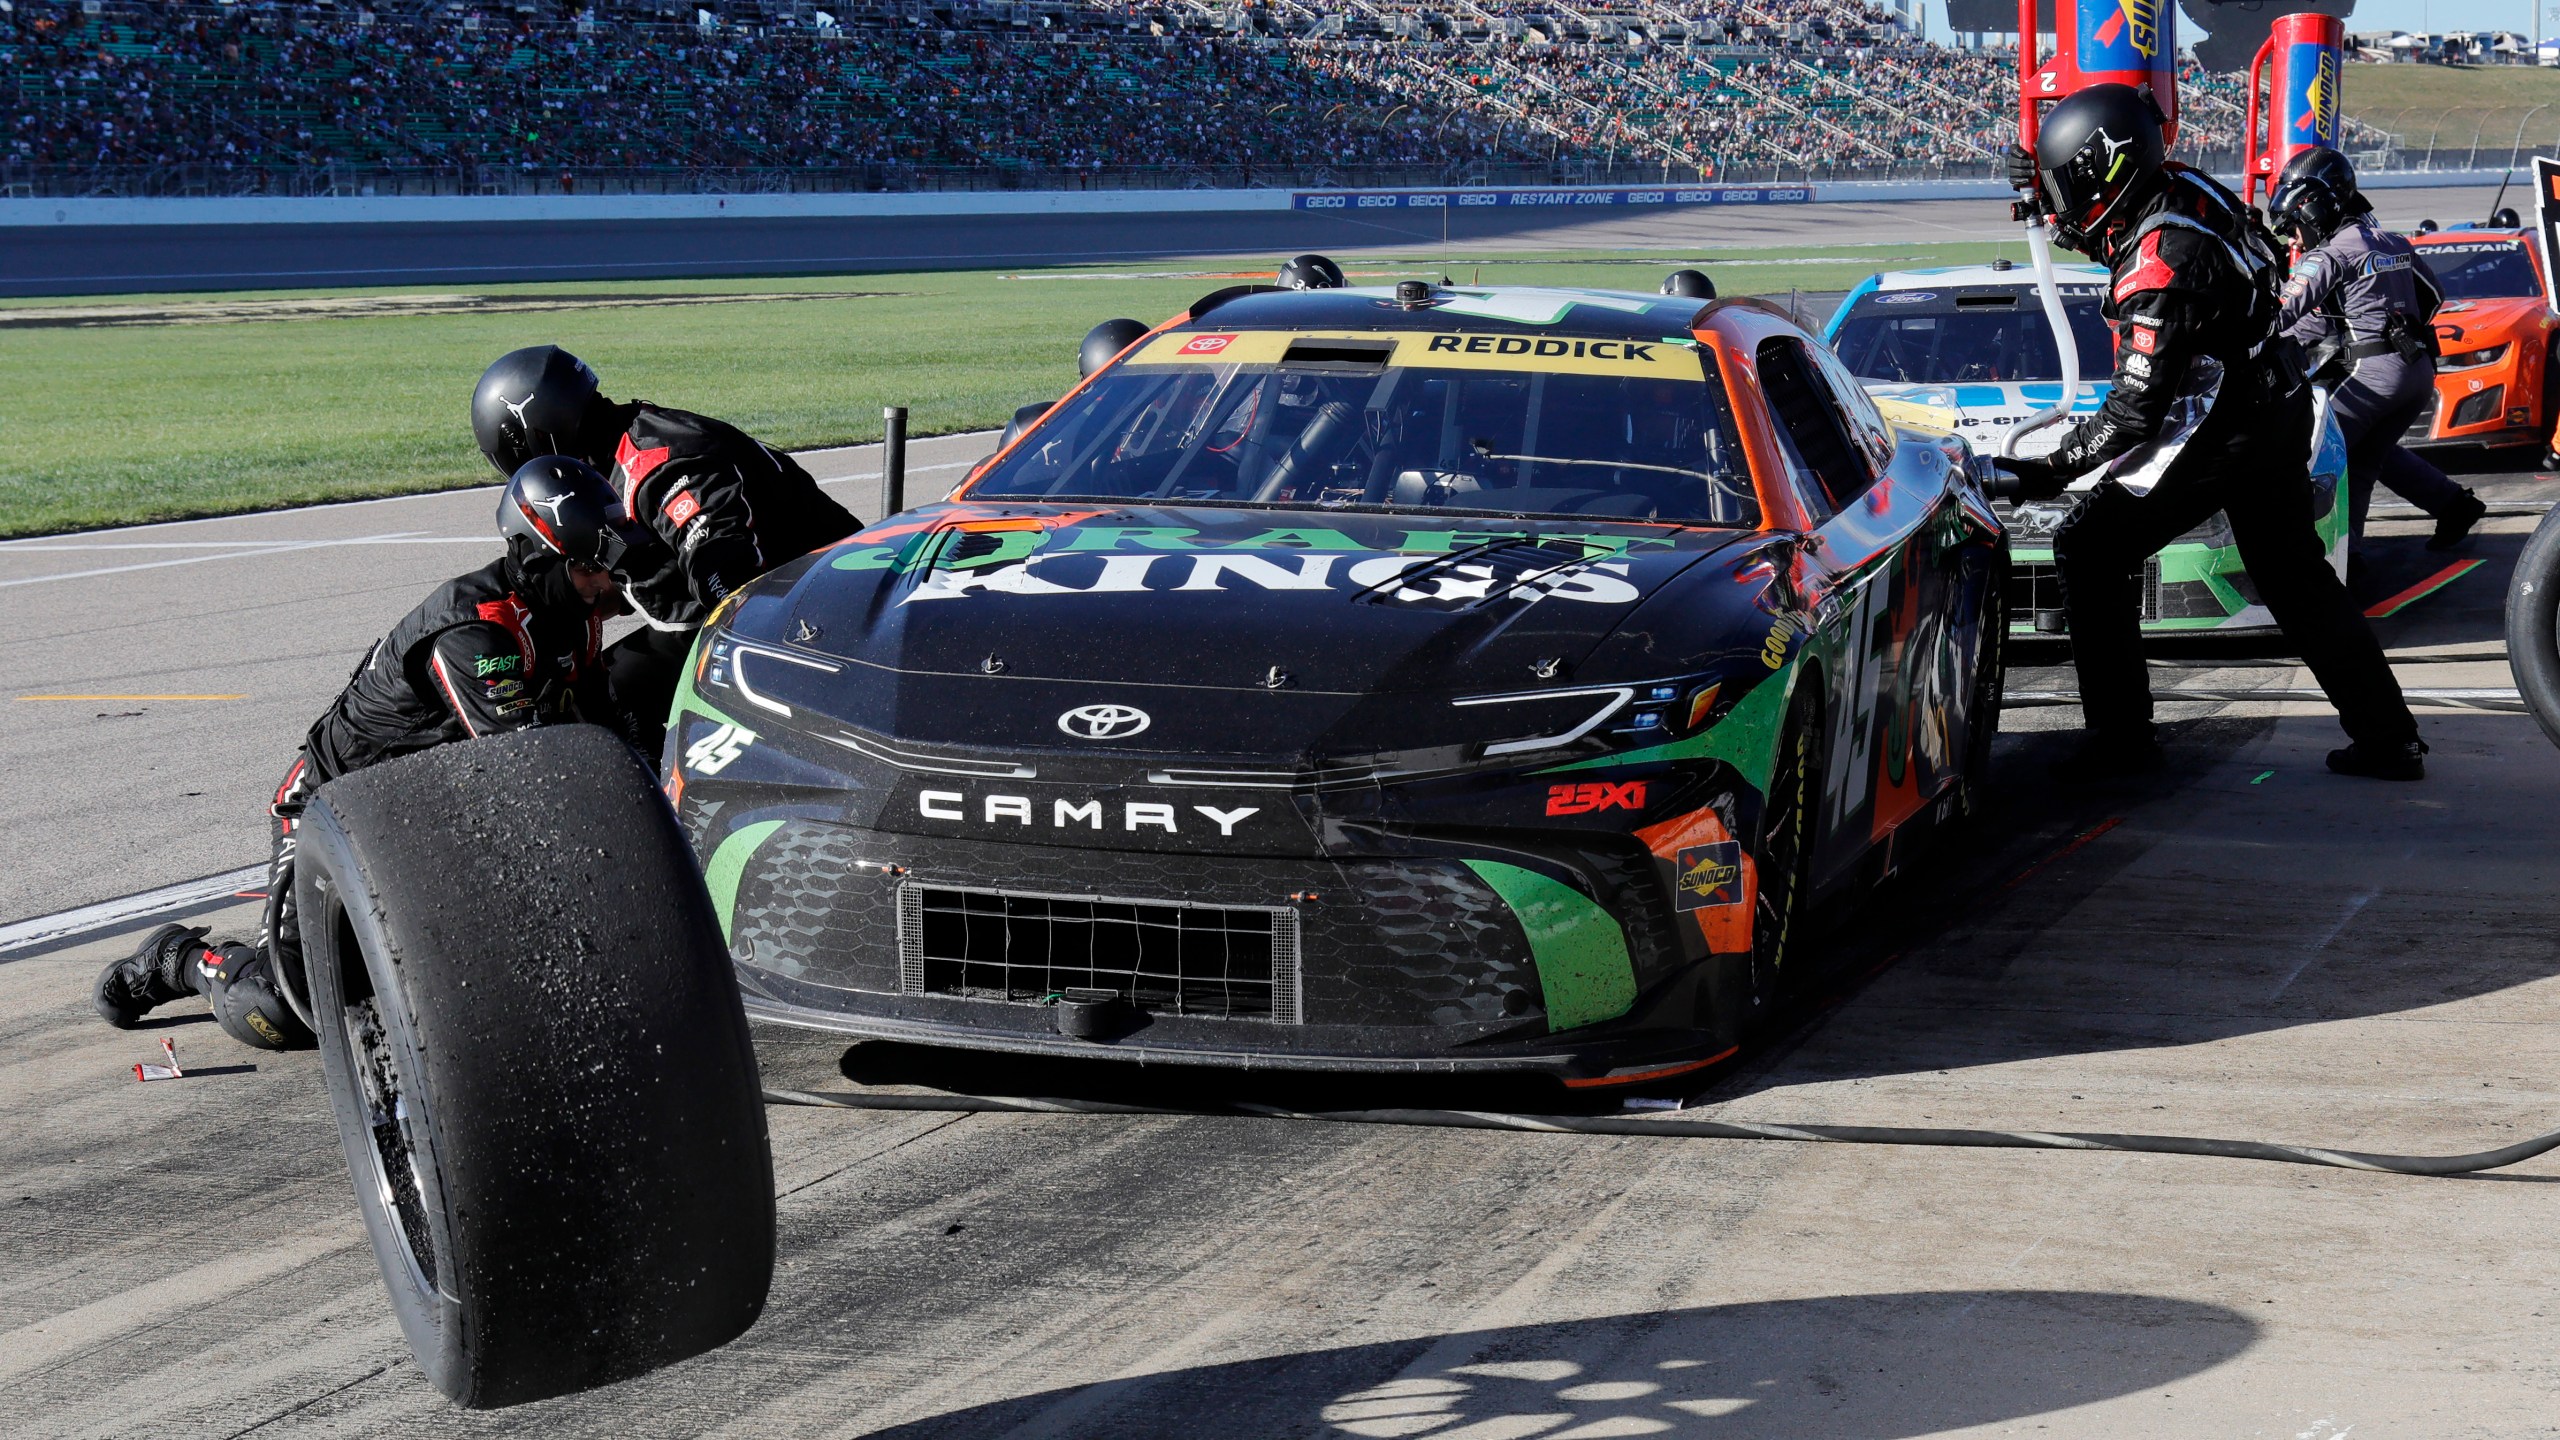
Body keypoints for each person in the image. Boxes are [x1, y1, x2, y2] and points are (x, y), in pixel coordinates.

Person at [92, 459, 642, 1050]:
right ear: (541, 560)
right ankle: (180, 960)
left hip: (422, 812)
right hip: (330, 809)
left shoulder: (574, 619)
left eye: (606, 564)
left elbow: (611, 733)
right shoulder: (475, 632)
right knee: (284, 1009)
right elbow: (521, 767)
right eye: (590, 566)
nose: (608, 581)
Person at [1992, 85, 2423, 782]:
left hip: (2227, 426)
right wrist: (2043, 198)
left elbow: (2132, 414)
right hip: (2272, 404)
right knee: (2295, 576)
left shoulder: (2164, 257)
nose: (2061, 201)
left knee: (2088, 546)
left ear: (2104, 172)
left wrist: (2041, 472)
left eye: (2067, 180)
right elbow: (2098, 233)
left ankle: (2121, 741)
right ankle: (2389, 737)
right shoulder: (2185, 188)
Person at [469, 346, 861, 758]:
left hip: (815, 611)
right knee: (585, 688)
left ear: (528, 434)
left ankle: (669, 806)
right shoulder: (620, 449)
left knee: (609, 701)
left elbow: (726, 570)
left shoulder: (660, 466)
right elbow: (651, 569)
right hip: (789, 597)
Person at [2268, 146, 2486, 570]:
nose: (2292, 238)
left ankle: (2320, 562)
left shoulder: (2327, 256)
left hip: (2373, 374)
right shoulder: (2391, 241)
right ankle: (2451, 508)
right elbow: (2434, 295)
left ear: (2312, 210)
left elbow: (2277, 314)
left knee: (2313, 458)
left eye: (2293, 227)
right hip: (2418, 372)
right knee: (2366, 459)